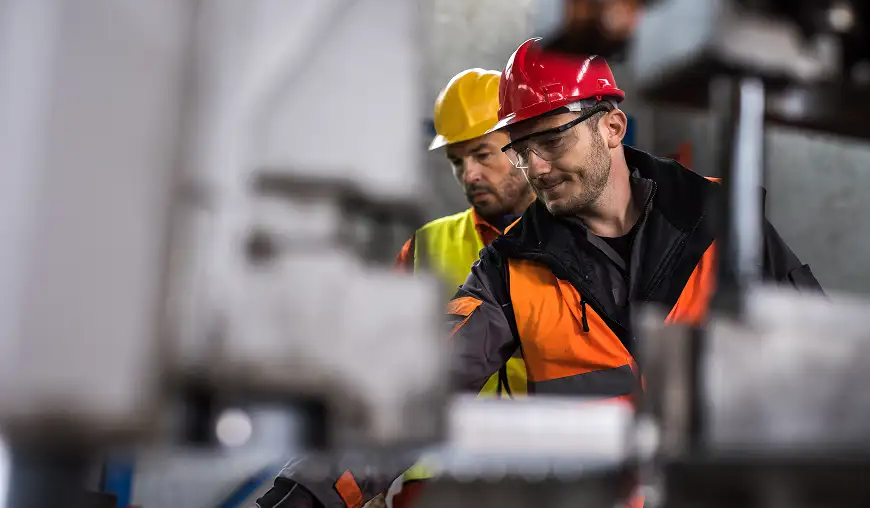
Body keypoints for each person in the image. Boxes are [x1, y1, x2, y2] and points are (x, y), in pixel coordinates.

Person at [255, 38, 822, 508]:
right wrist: (302, 494)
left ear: (612, 126)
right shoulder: (509, 267)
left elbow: (821, 361)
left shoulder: (723, 219)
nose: (537, 167)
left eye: (552, 140)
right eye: (522, 149)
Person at [255, 68, 535, 508]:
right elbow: (383, 373)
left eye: (482, 154)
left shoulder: (572, 246)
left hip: (544, 476)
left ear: (522, 145)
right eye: (457, 161)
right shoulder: (426, 245)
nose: (470, 174)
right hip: (429, 485)